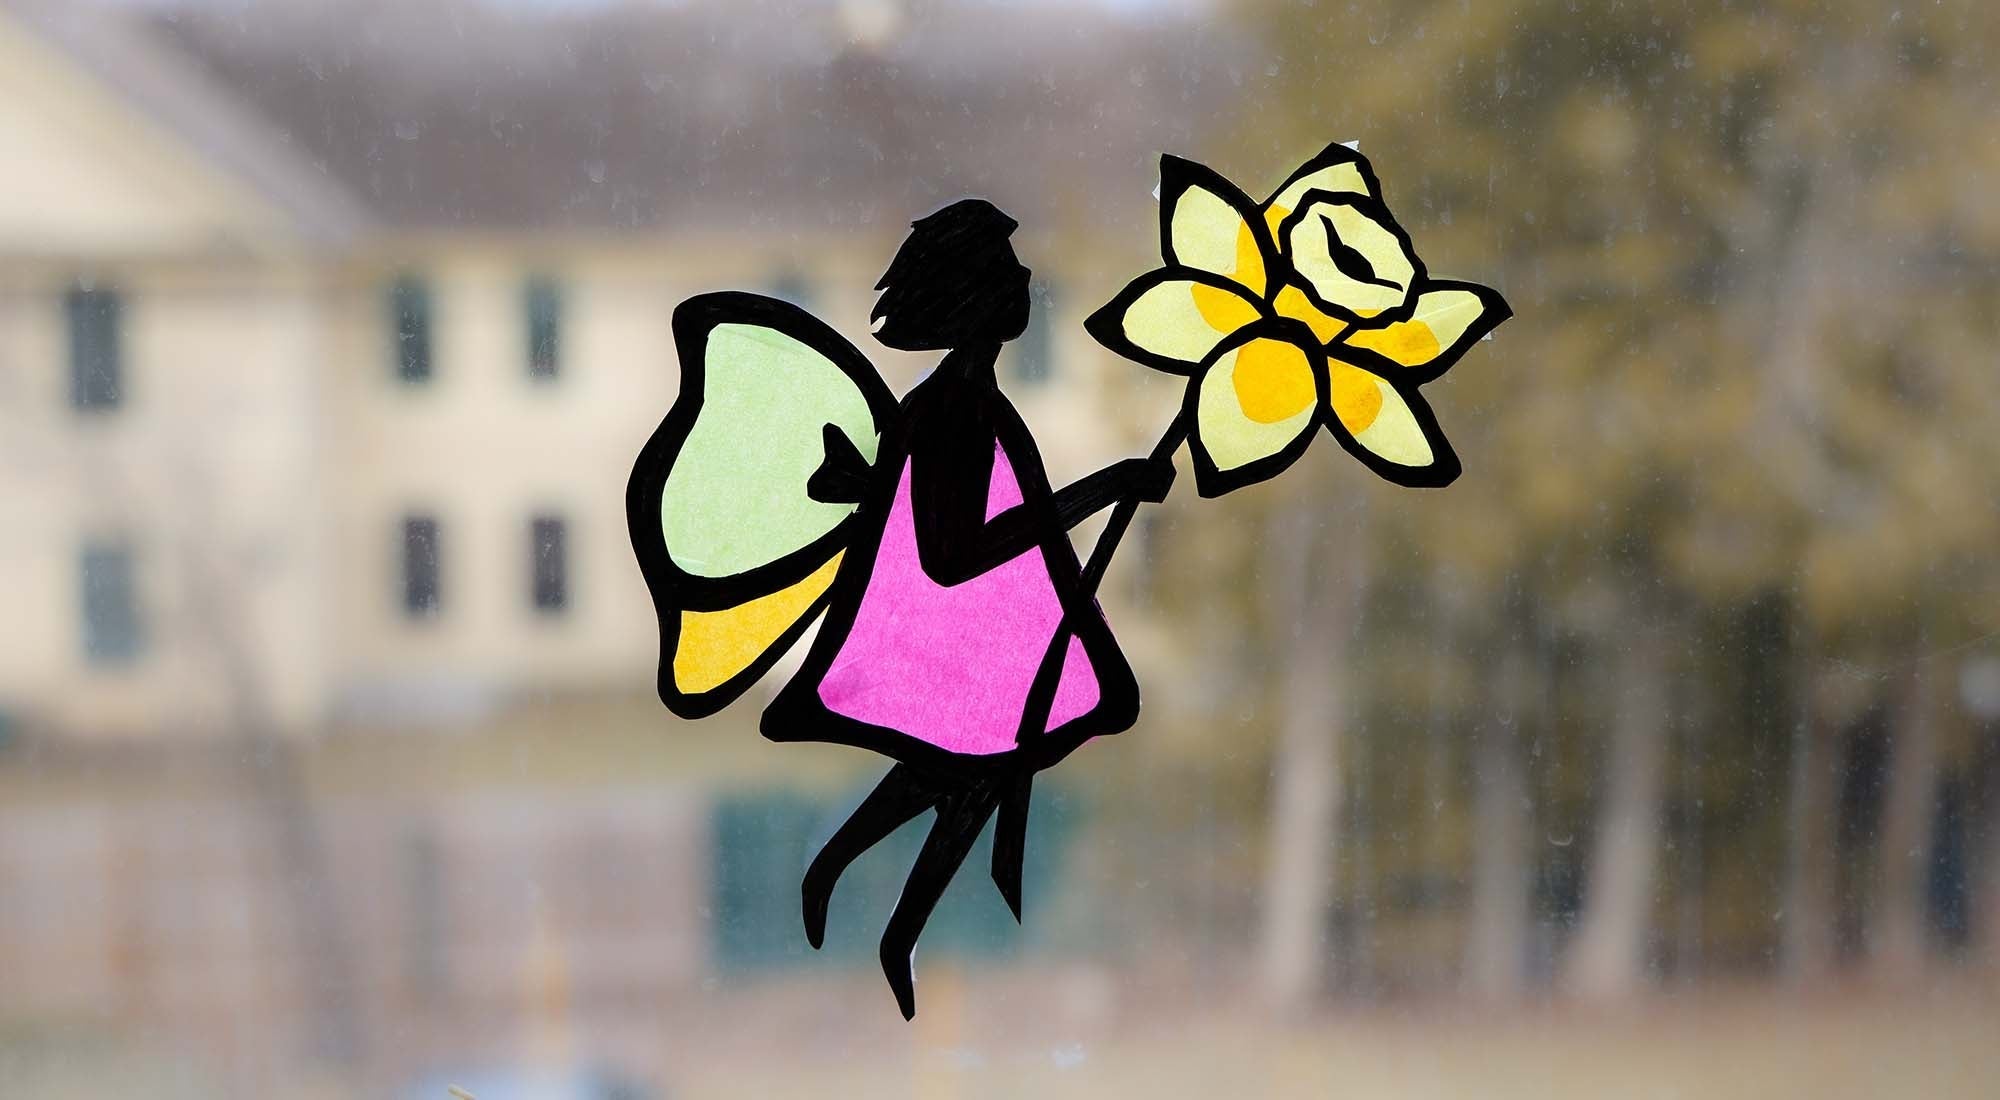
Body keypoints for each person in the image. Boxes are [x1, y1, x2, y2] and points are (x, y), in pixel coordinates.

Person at [762, 198, 1172, 1018]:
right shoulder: (956, 409)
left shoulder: (966, 399)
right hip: (947, 634)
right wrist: (1106, 487)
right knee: (992, 753)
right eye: (1007, 270)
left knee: (979, 762)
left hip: (985, 635)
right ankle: (862, 893)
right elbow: (952, 555)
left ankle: (860, 892)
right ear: (972, 296)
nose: (1025, 279)